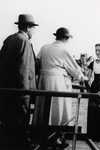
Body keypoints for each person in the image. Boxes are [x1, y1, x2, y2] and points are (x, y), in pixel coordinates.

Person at [33, 27, 88, 145]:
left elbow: (37, 63)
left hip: (43, 81)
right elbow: (74, 68)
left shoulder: (44, 47)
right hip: (57, 82)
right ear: (66, 38)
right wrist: (82, 77)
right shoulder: (64, 50)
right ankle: (54, 138)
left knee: (43, 107)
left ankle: (41, 134)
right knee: (57, 108)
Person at [0, 14, 39, 149]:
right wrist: (25, 91)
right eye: (33, 28)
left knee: (7, 120)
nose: (34, 31)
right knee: (21, 119)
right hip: (19, 90)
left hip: (6, 88)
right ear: (28, 28)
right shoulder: (24, 42)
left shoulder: (9, 39)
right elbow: (23, 68)